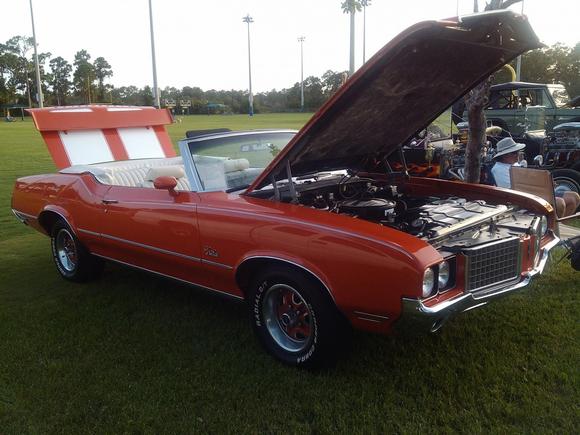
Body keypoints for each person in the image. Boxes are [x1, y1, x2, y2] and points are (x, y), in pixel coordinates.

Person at [492, 137, 579, 217]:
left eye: (518, 151)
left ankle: (558, 226)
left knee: (574, 197)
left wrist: (547, 184)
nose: (518, 154)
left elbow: (528, 180)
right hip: (519, 197)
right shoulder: (499, 169)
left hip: (532, 192)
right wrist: (543, 187)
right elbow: (513, 190)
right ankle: (550, 229)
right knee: (559, 203)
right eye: (514, 152)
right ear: (505, 155)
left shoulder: (515, 164)